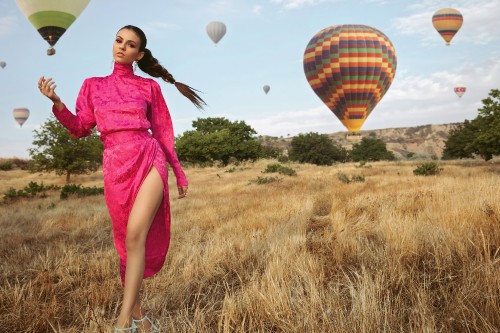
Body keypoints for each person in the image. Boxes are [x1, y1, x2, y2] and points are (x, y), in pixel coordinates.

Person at [38, 25, 205, 332]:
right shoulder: (92, 85)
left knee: (135, 236)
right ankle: (139, 316)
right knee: (127, 246)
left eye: (130, 45)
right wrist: (57, 103)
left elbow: (164, 132)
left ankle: (122, 321)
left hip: (148, 155)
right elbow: (80, 128)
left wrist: (178, 173)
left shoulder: (149, 88)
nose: (121, 47)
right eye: (118, 40)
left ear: (139, 55)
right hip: (115, 164)